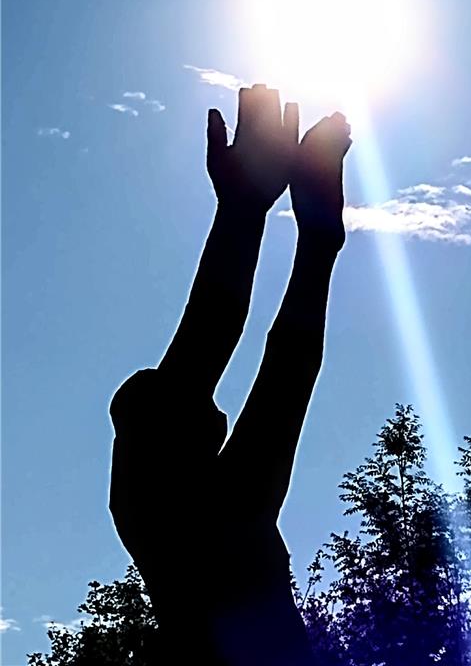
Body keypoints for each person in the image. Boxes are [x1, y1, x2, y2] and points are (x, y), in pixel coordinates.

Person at [108, 84, 351, 664]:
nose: (211, 404)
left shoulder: (179, 521)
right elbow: (265, 360)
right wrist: (271, 224)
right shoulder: (210, 522)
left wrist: (264, 222)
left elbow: (269, 363)